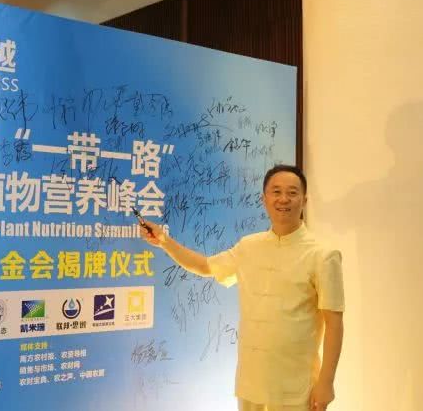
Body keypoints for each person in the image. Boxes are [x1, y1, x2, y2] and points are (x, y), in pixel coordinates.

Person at [139, 165, 344, 411]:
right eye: (276, 192)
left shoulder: (323, 255)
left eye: (292, 192)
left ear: (304, 200)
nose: (283, 199)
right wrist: (164, 241)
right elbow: (205, 266)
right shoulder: (249, 247)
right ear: (264, 199)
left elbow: (334, 324)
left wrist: (326, 382)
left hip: (297, 386)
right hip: (250, 382)